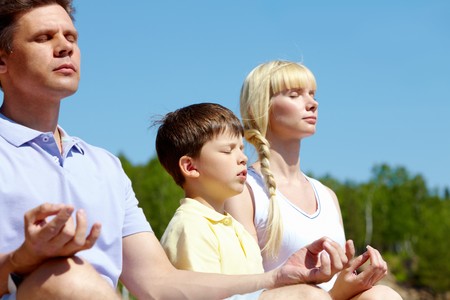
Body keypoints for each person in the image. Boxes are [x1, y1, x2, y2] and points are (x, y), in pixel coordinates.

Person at [0, 2, 350, 299]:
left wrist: (276, 277)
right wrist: (19, 261)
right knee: (67, 278)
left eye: (71, 37)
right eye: (44, 38)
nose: (65, 47)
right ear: (3, 61)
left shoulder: (105, 166)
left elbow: (158, 283)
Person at [225, 60, 403, 300]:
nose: (312, 103)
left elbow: (334, 291)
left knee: (382, 295)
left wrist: (351, 282)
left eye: (312, 94)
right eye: (295, 95)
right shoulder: (243, 190)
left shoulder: (327, 195)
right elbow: (246, 288)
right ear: (262, 106)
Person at [157, 102, 264, 276]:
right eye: (228, 150)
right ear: (190, 167)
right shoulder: (190, 227)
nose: (243, 158)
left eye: (241, 149)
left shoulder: (238, 230)